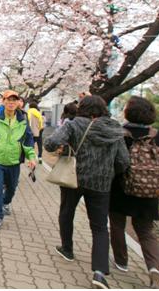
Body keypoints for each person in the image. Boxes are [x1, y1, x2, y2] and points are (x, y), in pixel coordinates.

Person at [44, 95, 130, 289]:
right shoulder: (115, 128)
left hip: (73, 178)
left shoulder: (74, 125)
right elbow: (123, 161)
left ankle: (67, 249)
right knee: (99, 226)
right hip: (101, 184)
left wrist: (66, 147)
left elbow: (50, 143)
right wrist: (108, 171)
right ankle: (99, 272)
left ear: (82, 108)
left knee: (67, 212)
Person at [109, 96, 159, 289]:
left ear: (128, 112)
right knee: (146, 231)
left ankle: (121, 261)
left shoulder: (120, 133)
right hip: (149, 192)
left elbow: (115, 163)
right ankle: (154, 269)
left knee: (117, 225)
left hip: (121, 189)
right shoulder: (157, 135)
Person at [0, 90, 37, 231]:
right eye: (9, 100)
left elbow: (28, 141)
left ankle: (6, 202)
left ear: (18, 103)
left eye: (14, 100)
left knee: (12, 188)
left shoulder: (23, 121)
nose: (11, 102)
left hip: (14, 162)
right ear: (3, 101)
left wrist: (31, 157)